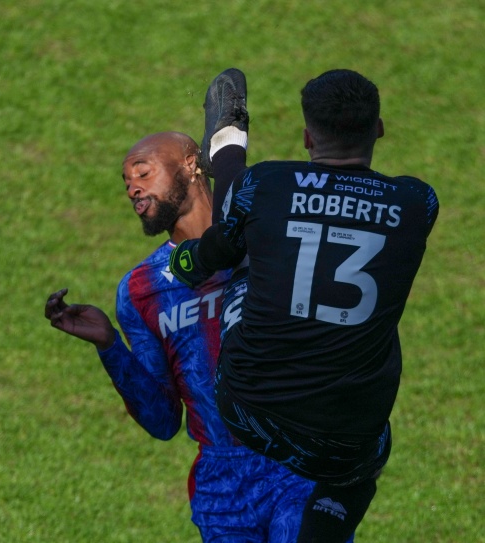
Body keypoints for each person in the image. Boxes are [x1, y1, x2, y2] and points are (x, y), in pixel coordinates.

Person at [170, 68, 439, 542]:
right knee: (368, 449)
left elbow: (217, 245)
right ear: (378, 129)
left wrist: (187, 261)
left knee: (243, 249)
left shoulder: (267, 183)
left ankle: (227, 142)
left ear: (307, 137)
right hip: (345, 441)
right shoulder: (418, 202)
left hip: (247, 406)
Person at [45, 129, 351, 542]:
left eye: (143, 172)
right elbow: (163, 421)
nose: (133, 188)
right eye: (126, 182)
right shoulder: (140, 290)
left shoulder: (267, 243)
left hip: (295, 463)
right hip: (221, 489)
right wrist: (110, 346)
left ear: (191, 165)